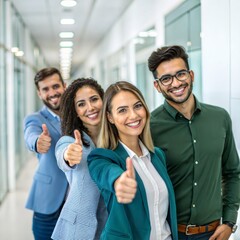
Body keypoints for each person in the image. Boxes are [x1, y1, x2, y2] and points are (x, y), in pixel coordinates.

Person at [148, 45, 240, 240]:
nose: (176, 83)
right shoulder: (149, 127)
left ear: (191, 75)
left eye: (180, 74)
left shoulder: (220, 118)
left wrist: (229, 222)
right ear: (157, 85)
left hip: (215, 233)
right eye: (166, 78)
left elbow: (232, 173)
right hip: (170, 234)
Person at [88, 81, 178, 240]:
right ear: (110, 117)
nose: (134, 115)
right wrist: (119, 181)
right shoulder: (102, 157)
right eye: (122, 110)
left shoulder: (157, 156)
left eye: (137, 106)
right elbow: (106, 173)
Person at [51, 78, 107, 240]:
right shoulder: (70, 141)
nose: (90, 107)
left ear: (103, 100)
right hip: (78, 229)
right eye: (81, 104)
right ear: (75, 111)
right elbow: (63, 156)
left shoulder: (115, 138)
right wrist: (69, 155)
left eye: (94, 99)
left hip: (111, 225)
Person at [23, 67, 68, 240]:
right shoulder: (35, 119)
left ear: (64, 86)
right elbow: (30, 135)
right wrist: (37, 142)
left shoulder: (79, 114)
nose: (52, 93)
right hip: (48, 202)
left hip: (78, 200)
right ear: (39, 94)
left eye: (55, 86)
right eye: (45, 89)